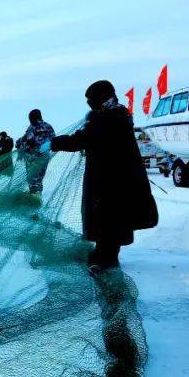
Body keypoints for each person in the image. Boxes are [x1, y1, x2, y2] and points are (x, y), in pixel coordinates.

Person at [51, 80, 158, 274]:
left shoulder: (110, 118)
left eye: (90, 99)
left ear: (100, 97)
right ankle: (104, 254)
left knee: (110, 217)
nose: (89, 103)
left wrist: (53, 143)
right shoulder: (114, 115)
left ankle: (106, 259)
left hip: (113, 180)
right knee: (109, 217)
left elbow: (80, 140)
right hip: (113, 178)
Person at [16, 109, 55, 194]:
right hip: (44, 156)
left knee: (32, 178)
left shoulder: (32, 126)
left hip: (33, 156)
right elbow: (53, 139)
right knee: (40, 177)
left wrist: (19, 144)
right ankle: (38, 194)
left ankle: (33, 195)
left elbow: (27, 139)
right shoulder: (48, 126)